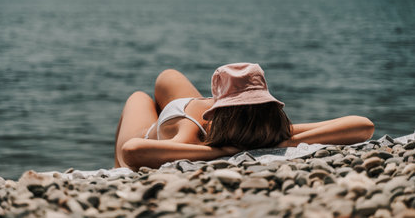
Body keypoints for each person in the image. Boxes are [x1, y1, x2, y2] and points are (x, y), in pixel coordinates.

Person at [114, 63, 374, 171]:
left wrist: (218, 152)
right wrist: (285, 142)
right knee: (167, 76)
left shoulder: (196, 136)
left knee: (139, 97)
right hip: (190, 111)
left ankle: (116, 172)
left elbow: (132, 150)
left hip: (184, 116)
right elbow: (362, 126)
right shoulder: (266, 127)